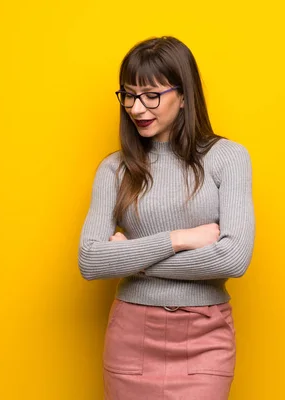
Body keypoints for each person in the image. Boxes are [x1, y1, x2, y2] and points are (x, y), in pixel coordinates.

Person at [78, 36, 255, 399]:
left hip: (205, 336)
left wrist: (131, 260)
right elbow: (91, 260)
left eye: (151, 95)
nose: (137, 108)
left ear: (185, 95)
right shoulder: (114, 169)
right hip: (132, 336)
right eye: (128, 95)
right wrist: (179, 239)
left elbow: (234, 259)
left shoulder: (228, 158)